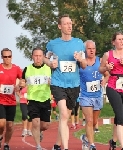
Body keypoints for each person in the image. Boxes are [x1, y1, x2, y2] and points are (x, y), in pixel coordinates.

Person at [44, 14, 87, 150]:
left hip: (74, 85)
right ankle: (66, 148)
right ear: (60, 26)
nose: (69, 26)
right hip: (58, 83)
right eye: (66, 24)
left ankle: (57, 145)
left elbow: (85, 65)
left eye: (70, 23)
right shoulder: (53, 44)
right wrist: (50, 63)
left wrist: (80, 59)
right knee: (63, 114)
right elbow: (44, 59)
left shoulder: (79, 43)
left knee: (65, 117)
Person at [79, 40, 109, 150]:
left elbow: (106, 74)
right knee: (89, 120)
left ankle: (85, 138)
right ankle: (92, 145)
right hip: (85, 95)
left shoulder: (100, 61)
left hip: (97, 95)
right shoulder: (81, 63)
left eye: (93, 48)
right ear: (85, 50)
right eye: (89, 48)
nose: (91, 50)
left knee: (94, 122)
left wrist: (104, 80)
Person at [20, 47, 51, 150]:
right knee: (35, 123)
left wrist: (52, 84)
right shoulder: (27, 69)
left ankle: (40, 131)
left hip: (45, 99)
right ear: (32, 57)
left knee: (45, 125)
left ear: (43, 57)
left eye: (40, 56)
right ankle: (38, 146)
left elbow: (54, 83)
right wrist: (21, 84)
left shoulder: (48, 68)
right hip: (32, 100)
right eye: (36, 56)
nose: (38, 58)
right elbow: (22, 82)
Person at [0, 48, 22, 150]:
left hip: (11, 101)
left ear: (11, 57)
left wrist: (20, 86)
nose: (7, 59)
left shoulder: (16, 68)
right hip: (0, 100)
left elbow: (23, 80)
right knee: (1, 123)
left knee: (9, 125)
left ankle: (6, 144)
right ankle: (0, 136)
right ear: (2, 57)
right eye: (5, 57)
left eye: (9, 56)